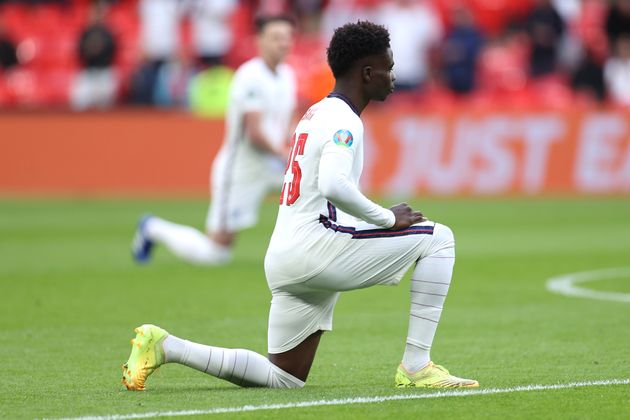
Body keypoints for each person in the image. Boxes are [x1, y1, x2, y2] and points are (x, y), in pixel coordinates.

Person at [122, 20, 478, 390]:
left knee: (284, 377)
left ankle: (167, 346)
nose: (393, 76)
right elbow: (333, 184)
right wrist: (388, 218)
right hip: (316, 249)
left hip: (285, 256)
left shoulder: (316, 113)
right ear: (368, 72)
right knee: (439, 238)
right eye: (389, 68)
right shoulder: (344, 120)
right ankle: (417, 365)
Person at [131, 15, 297, 266]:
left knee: (317, 187)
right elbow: (254, 132)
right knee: (216, 253)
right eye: (275, 37)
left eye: (286, 38)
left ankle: (318, 255)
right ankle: (152, 227)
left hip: (272, 164)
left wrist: (295, 146)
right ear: (259, 41)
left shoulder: (287, 75)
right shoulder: (249, 76)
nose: (282, 43)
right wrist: (286, 156)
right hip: (242, 170)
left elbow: (287, 121)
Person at [70, 1, 118, 110]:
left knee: (105, 109)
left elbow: (112, 53)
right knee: (79, 103)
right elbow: (80, 52)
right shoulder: (85, 32)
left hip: (104, 73)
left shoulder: (108, 33)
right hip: (88, 73)